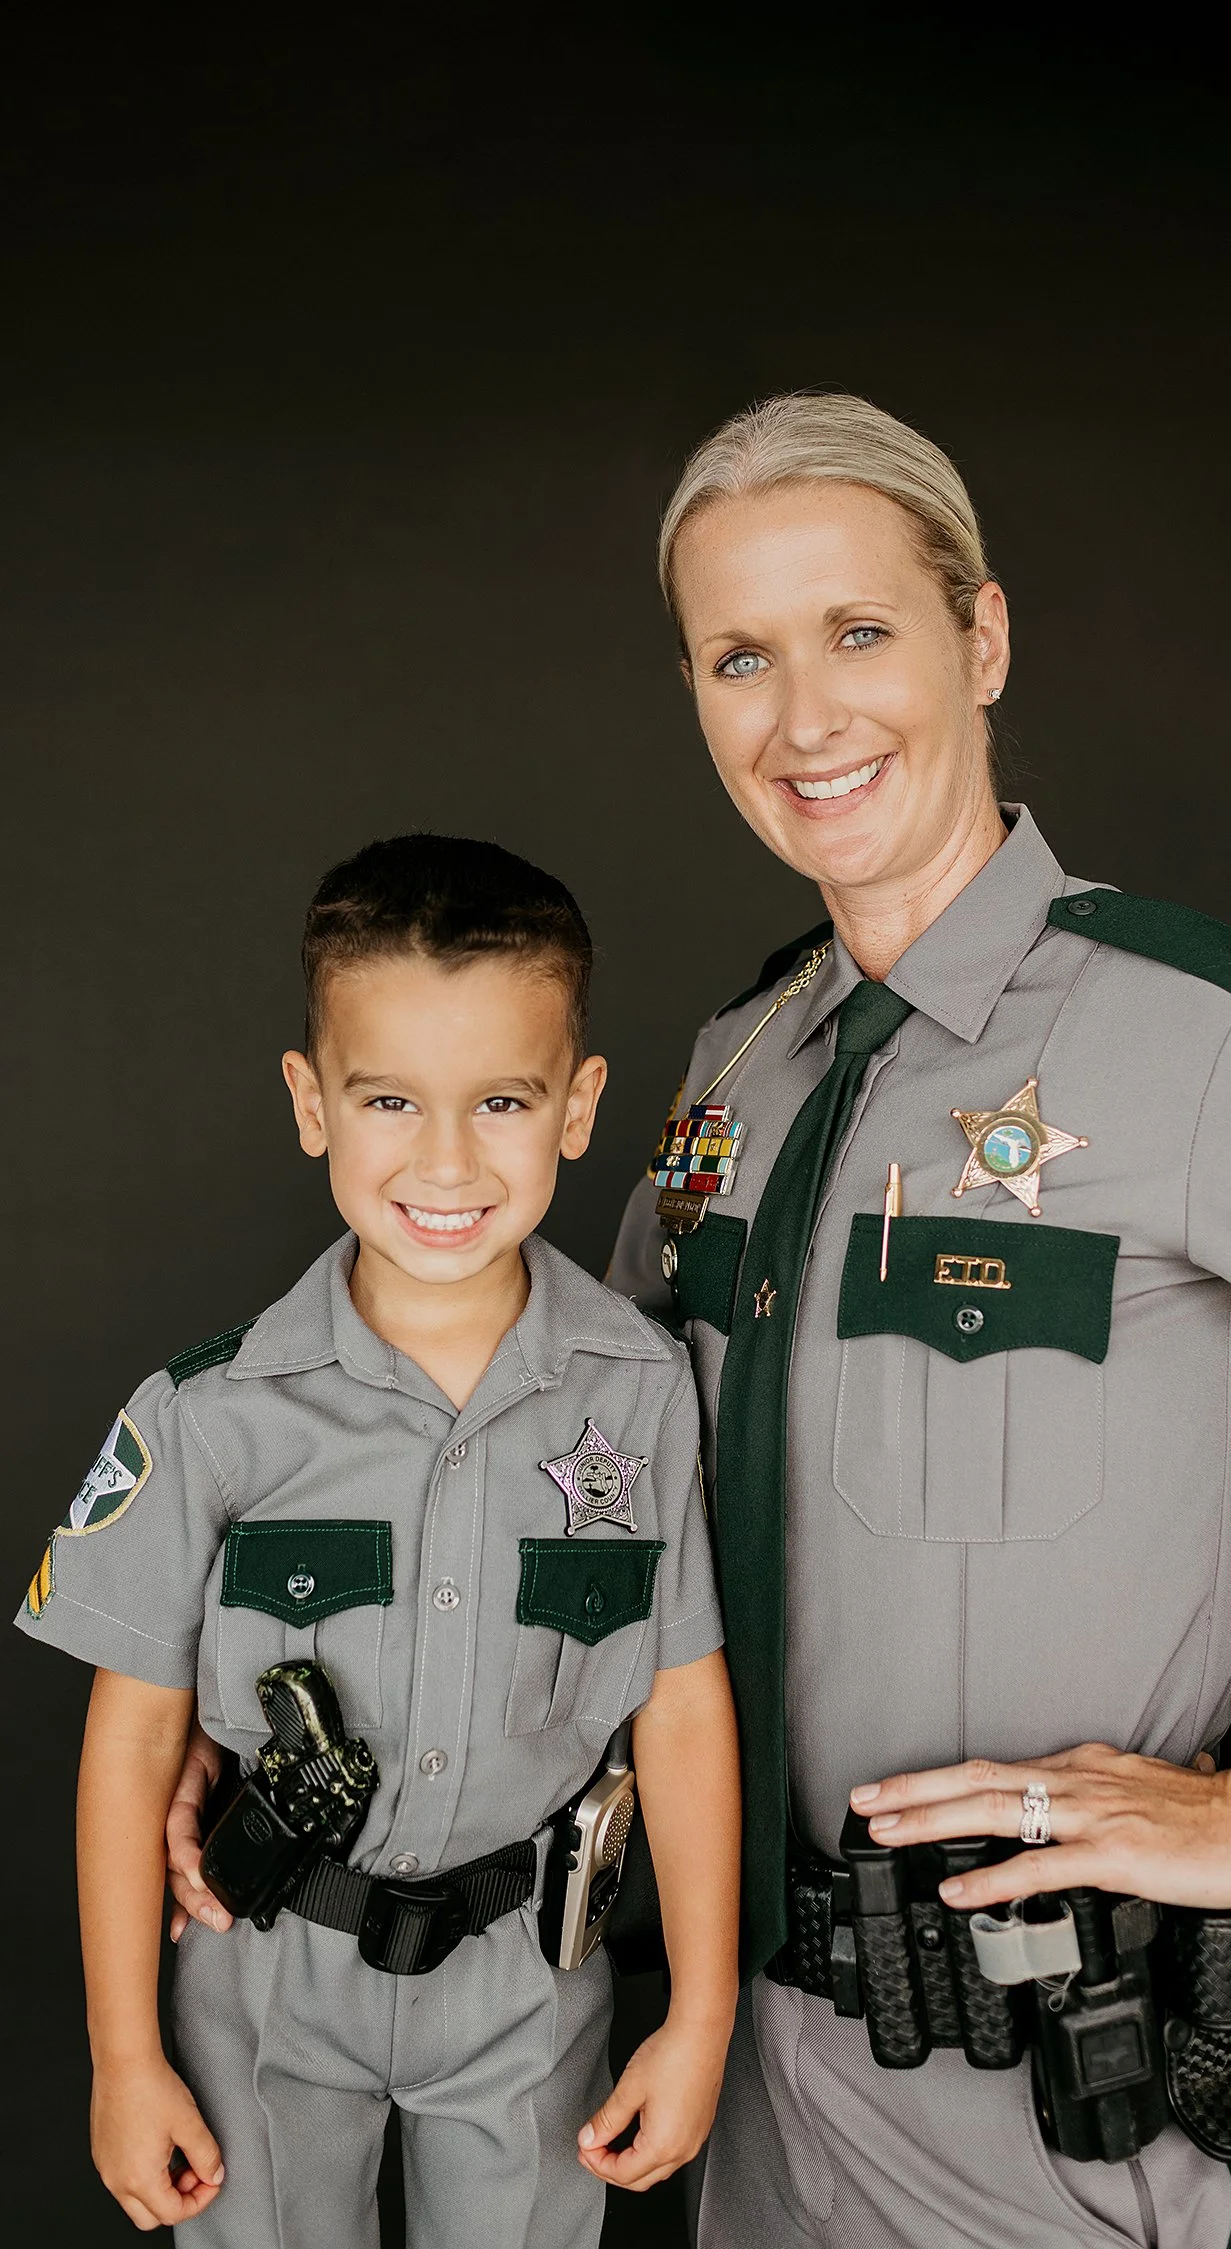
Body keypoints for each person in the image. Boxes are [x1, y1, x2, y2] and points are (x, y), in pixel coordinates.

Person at [166, 395, 1231, 2249]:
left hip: (1059, 2103)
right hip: (744, 2077)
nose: (804, 717)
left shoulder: (1219, 1039)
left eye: (858, 632)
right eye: (739, 656)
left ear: (985, 639)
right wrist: (273, 1727)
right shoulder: (742, 1073)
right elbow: (567, 1468)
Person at [15, 833, 740, 2245]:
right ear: (311, 1102)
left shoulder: (643, 1393)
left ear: (580, 1107)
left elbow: (684, 1710)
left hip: (528, 1981)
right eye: (391, 1100)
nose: (448, 1162)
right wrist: (123, 2056)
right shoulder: (211, 1416)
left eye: (504, 1102)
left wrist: (700, 2011)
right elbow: (131, 1748)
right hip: (271, 1974)